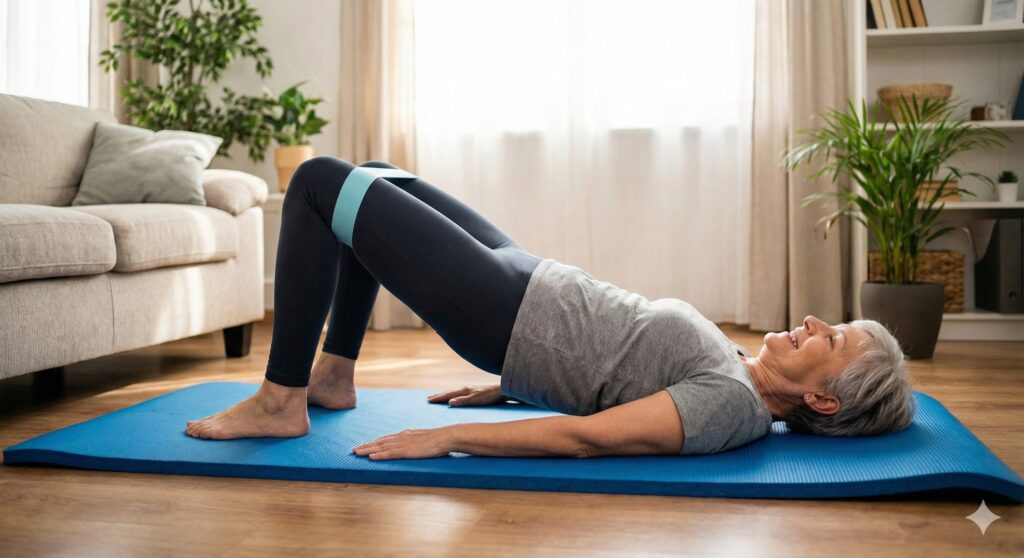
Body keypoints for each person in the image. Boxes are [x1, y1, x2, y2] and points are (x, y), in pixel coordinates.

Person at [185, 157, 916, 459]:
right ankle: (333, 375)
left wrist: (445, 441)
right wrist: (512, 386)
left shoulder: (732, 407)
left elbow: (590, 435)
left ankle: (283, 399)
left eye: (834, 339)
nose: (817, 322)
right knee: (375, 176)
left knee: (318, 183)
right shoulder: (740, 375)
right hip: (525, 278)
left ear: (821, 398)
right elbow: (626, 368)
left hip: (504, 313)